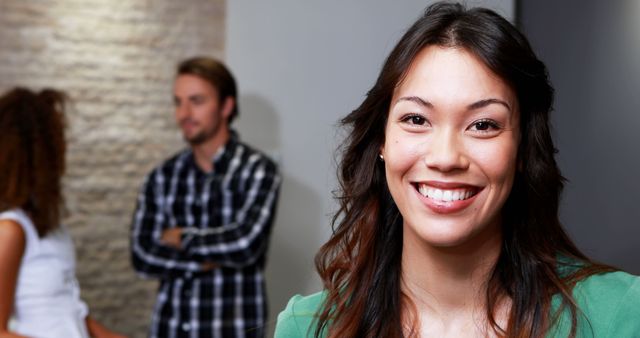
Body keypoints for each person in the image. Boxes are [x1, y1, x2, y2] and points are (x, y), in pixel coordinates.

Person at [275, 2, 640, 338]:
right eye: (416, 119)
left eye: (483, 125)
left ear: (523, 149)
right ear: (381, 141)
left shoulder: (619, 314)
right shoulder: (306, 327)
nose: (446, 157)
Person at [130, 57, 281, 338]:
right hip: (170, 328)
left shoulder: (258, 170)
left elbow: (246, 244)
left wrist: (182, 237)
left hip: (233, 328)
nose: (184, 113)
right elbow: (142, 255)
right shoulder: (161, 176)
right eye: (178, 102)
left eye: (196, 100)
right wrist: (203, 261)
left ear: (226, 106)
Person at [0, 88, 126, 338]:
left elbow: (72, 310)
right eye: (57, 139)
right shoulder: (10, 231)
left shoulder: (53, 228)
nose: (64, 148)